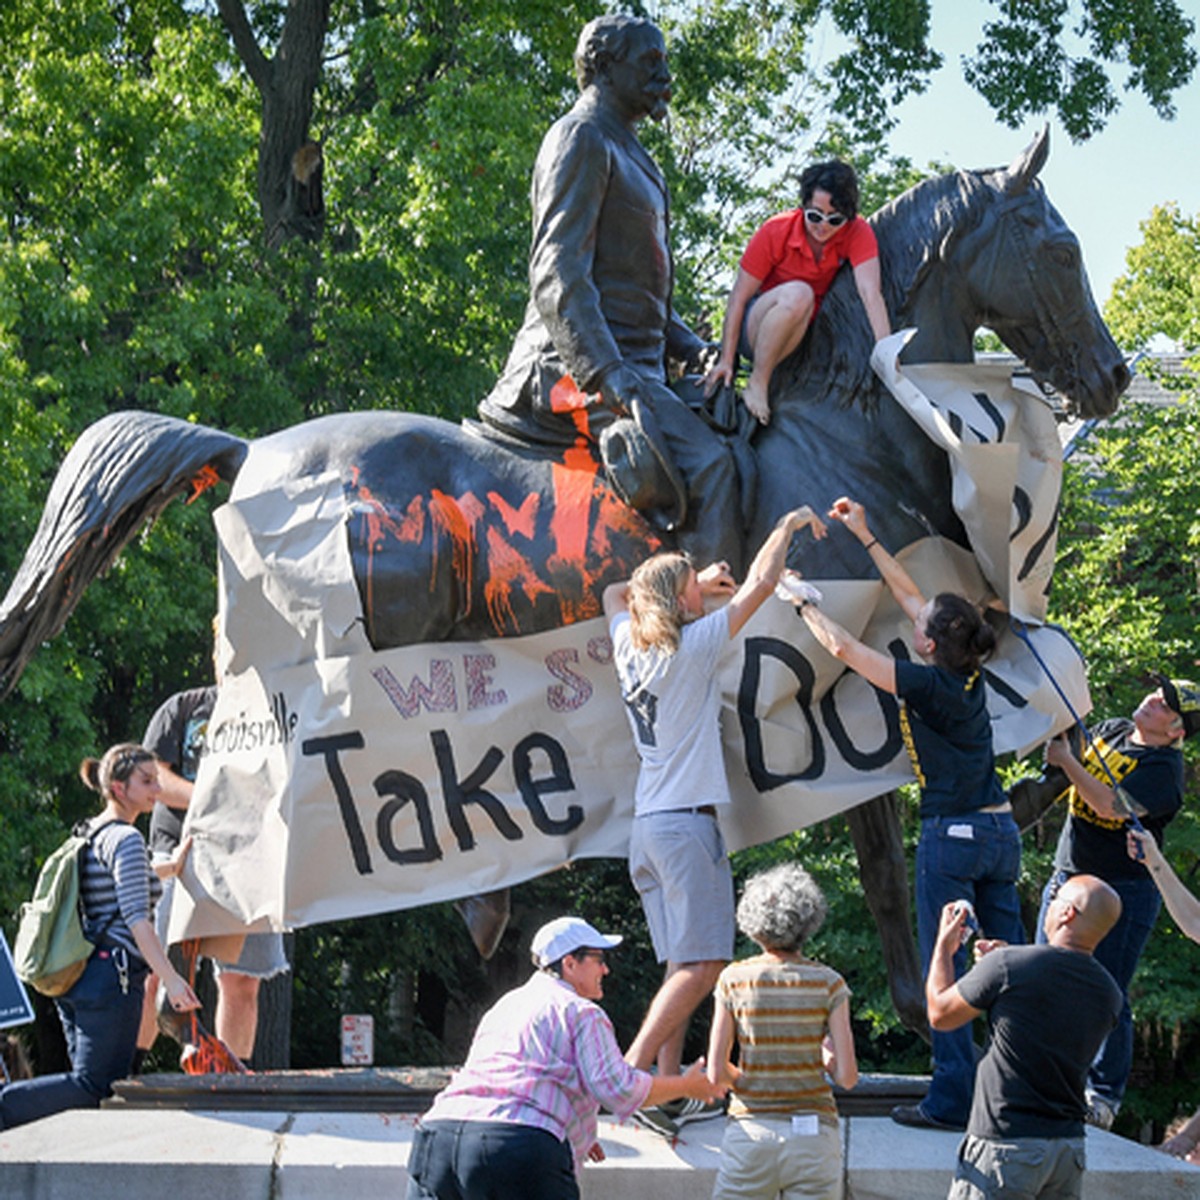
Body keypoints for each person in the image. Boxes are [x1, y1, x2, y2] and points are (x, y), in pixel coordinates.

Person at [788, 497, 1023, 1132]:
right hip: (1001, 835)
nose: (914, 618)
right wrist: (865, 533)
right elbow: (913, 594)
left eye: (920, 624)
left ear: (925, 643)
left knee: (943, 964)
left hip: (953, 837)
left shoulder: (926, 684)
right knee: (1008, 965)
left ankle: (950, 1098)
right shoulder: (966, 667)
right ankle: (1019, 1091)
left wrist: (800, 601)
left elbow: (842, 647)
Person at [478, 15, 741, 568]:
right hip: (570, 370)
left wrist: (696, 349)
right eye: (650, 62)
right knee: (711, 465)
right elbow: (558, 273)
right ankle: (710, 630)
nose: (665, 74)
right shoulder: (581, 137)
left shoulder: (635, 154)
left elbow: (639, 297)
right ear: (603, 65)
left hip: (636, 371)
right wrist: (610, 375)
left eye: (663, 61)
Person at [604, 505, 828, 1132]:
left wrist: (688, 581)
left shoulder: (629, 644)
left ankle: (665, 1094)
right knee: (704, 967)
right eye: (690, 590)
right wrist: (783, 527)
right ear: (677, 603)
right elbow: (761, 582)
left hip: (647, 830)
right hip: (685, 827)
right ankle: (630, 1075)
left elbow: (613, 591)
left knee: (682, 966)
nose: (699, 595)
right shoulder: (691, 647)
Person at [405, 916, 725, 1200]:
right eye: (598, 959)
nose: (606, 969)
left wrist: (578, 1135)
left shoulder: (505, 1005)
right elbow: (616, 1089)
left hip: (437, 1140)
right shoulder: (581, 1011)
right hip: (516, 1149)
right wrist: (685, 1085)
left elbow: (522, 1082)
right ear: (569, 964)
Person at [0, 744, 199, 1129]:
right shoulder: (126, 840)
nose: (156, 789)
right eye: (146, 781)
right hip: (114, 981)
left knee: (86, 1091)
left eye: (156, 780)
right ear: (119, 788)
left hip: (80, 977)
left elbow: (112, 882)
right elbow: (137, 919)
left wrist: (169, 868)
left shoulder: (91, 831)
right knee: (96, 1086)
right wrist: (172, 982)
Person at [1034, 675, 1199, 1130]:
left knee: (1106, 990)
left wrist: (1068, 762)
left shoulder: (1166, 773)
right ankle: (1042, 1077)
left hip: (1123, 891)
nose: (1152, 700)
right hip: (1067, 878)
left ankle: (1102, 1096)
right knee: (1044, 976)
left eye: (1166, 705)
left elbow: (1110, 805)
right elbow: (1065, 744)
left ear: (1177, 730)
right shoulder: (1112, 729)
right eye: (1156, 692)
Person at [926, 877, 1123, 1200]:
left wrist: (943, 949)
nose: (1051, 902)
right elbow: (1045, 999)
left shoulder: (1008, 967)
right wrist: (1002, 962)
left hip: (1006, 1146)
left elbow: (940, 1013)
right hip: (1067, 1151)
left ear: (1067, 914)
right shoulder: (1109, 993)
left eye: (1056, 897)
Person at [137, 685, 290, 1068]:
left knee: (242, 980)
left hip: (250, 855)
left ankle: (229, 1080)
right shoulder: (182, 707)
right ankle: (128, 1070)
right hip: (178, 854)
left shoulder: (275, 703)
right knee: (157, 972)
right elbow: (155, 779)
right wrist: (218, 798)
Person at [707, 863, 858, 1200]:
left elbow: (717, 1073)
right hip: (814, 1136)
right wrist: (827, 1058)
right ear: (809, 919)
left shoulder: (733, 979)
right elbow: (847, 1077)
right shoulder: (830, 983)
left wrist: (746, 1078)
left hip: (750, 1133)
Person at [703, 161, 891, 426]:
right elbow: (738, 298)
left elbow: (870, 293)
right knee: (800, 294)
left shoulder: (858, 232)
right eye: (815, 215)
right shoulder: (775, 230)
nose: (823, 226)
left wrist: (888, 353)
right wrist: (726, 360)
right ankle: (758, 382)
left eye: (834, 219)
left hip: (802, 333)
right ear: (803, 206)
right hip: (758, 326)